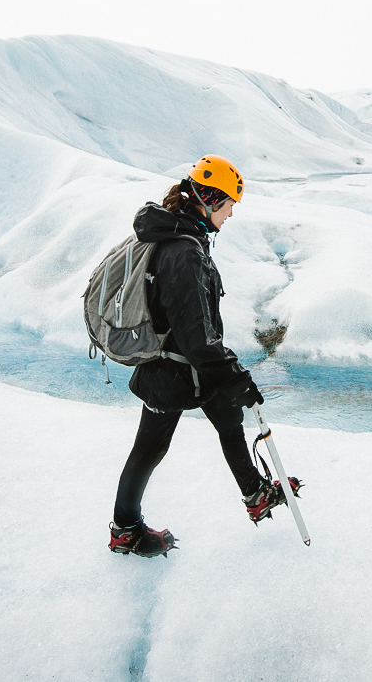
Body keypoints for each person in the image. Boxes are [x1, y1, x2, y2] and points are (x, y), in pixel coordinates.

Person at [108, 155, 298, 557]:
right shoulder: (184, 252)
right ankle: (125, 529)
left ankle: (255, 494)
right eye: (229, 204)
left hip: (190, 368)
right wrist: (234, 374)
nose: (230, 215)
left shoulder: (182, 237)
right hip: (172, 370)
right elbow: (196, 336)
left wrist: (227, 378)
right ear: (209, 199)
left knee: (229, 418)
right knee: (150, 448)